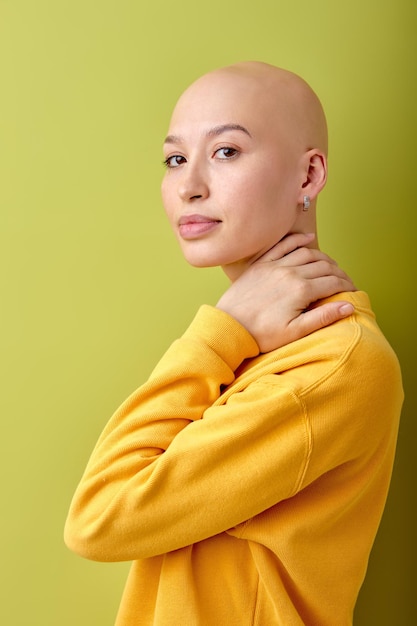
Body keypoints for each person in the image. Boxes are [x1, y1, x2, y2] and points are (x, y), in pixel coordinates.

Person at [64, 61, 403, 625]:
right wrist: (234, 331)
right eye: (175, 159)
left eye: (225, 152)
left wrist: (220, 332)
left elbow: (100, 516)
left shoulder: (331, 365)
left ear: (308, 176)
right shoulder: (258, 345)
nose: (190, 186)